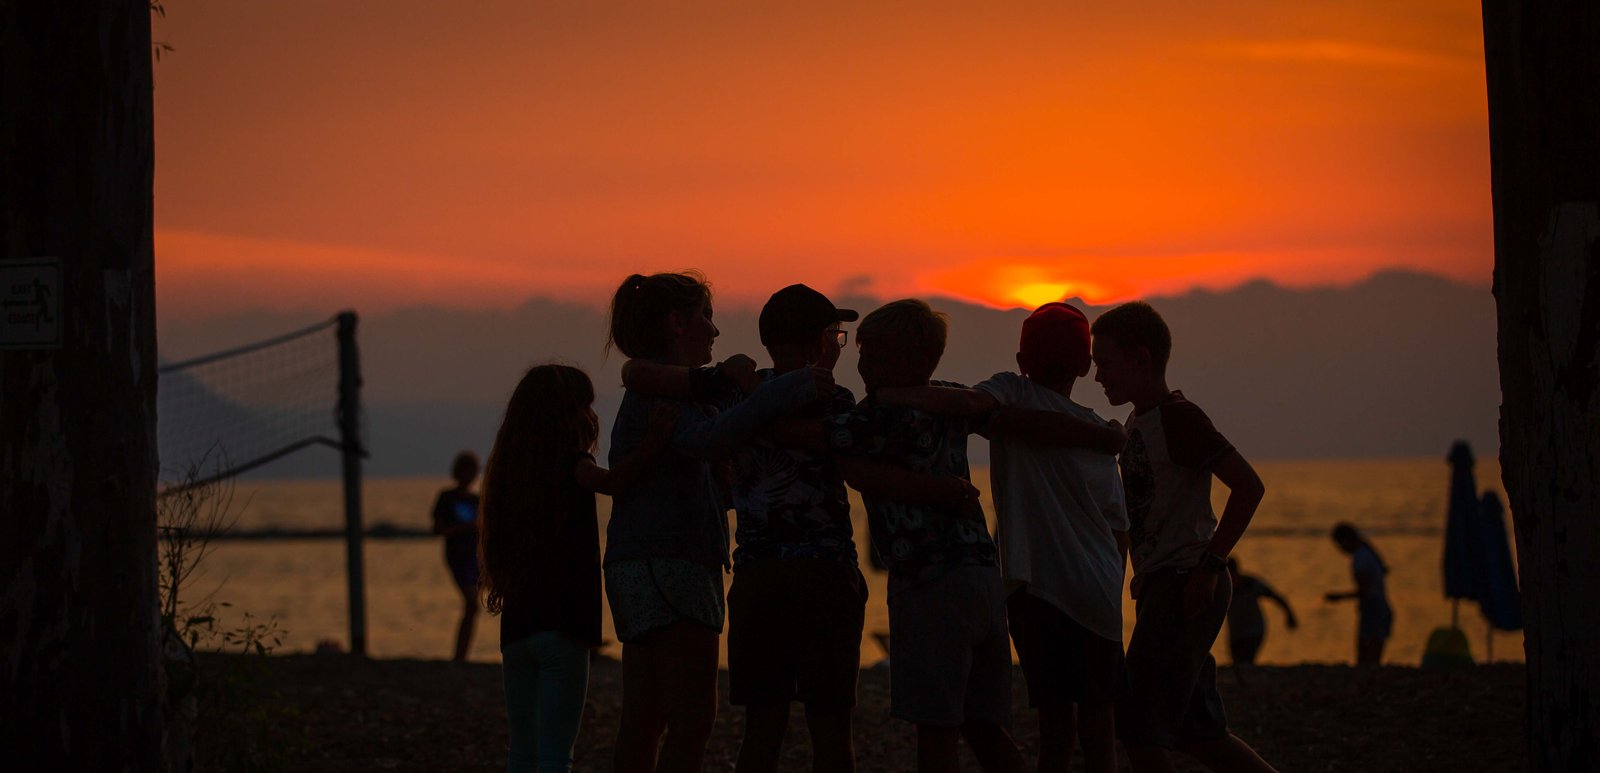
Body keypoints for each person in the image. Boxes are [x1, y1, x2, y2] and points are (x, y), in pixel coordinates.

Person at [621, 283, 869, 773]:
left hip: (757, 578)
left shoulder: (733, 394)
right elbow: (855, 463)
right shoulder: (833, 397)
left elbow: (639, 374)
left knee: (763, 726)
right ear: (822, 341)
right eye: (837, 338)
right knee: (830, 727)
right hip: (826, 573)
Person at [873, 302, 1128, 773]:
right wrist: (1112, 587)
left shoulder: (1010, 392)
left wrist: (894, 395)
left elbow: (970, 406)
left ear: (1020, 359)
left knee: (1055, 726)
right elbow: (1118, 528)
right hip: (1099, 591)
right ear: (1085, 366)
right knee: (1099, 727)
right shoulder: (1097, 429)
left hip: (1041, 589)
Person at [826, 299, 1025, 773]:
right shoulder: (948, 399)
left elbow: (818, 438)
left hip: (928, 580)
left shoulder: (878, 416)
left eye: (873, 355)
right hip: (981, 576)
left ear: (913, 360)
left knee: (934, 728)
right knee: (981, 724)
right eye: (861, 352)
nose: (861, 365)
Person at [1091, 301, 1277, 773]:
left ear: (1141, 359)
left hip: (1184, 584)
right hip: (1161, 586)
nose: (1099, 377)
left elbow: (1248, 487)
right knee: (1202, 735)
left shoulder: (1180, 417)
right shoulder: (1138, 422)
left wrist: (1211, 566)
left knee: (1135, 726)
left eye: (1105, 364)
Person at [478, 364, 675, 773]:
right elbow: (616, 482)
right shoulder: (573, 463)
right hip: (563, 626)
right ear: (569, 415)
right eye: (584, 406)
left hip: (516, 630)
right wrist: (654, 443)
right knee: (555, 753)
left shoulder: (509, 476)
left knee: (523, 750)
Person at [430, 450, 482, 662]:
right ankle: (460, 655)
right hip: (458, 557)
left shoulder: (477, 500)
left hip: (476, 558)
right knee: (471, 602)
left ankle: (461, 655)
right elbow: (438, 529)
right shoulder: (447, 498)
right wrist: (464, 528)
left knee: (473, 606)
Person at [1325, 522, 1392, 666]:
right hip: (1380, 607)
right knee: (1373, 654)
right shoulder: (1367, 554)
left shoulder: (1360, 559)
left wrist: (1338, 597)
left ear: (1345, 540)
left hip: (1373, 609)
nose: (1340, 549)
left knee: (1367, 657)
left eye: (1339, 545)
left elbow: (1364, 591)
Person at [1225, 558, 1297, 669]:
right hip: (1235, 633)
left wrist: (1289, 614)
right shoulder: (1223, 588)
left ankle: (1249, 680)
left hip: (1254, 631)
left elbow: (1275, 596)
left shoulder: (1251, 584)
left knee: (1247, 660)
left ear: (1236, 572)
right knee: (1237, 663)